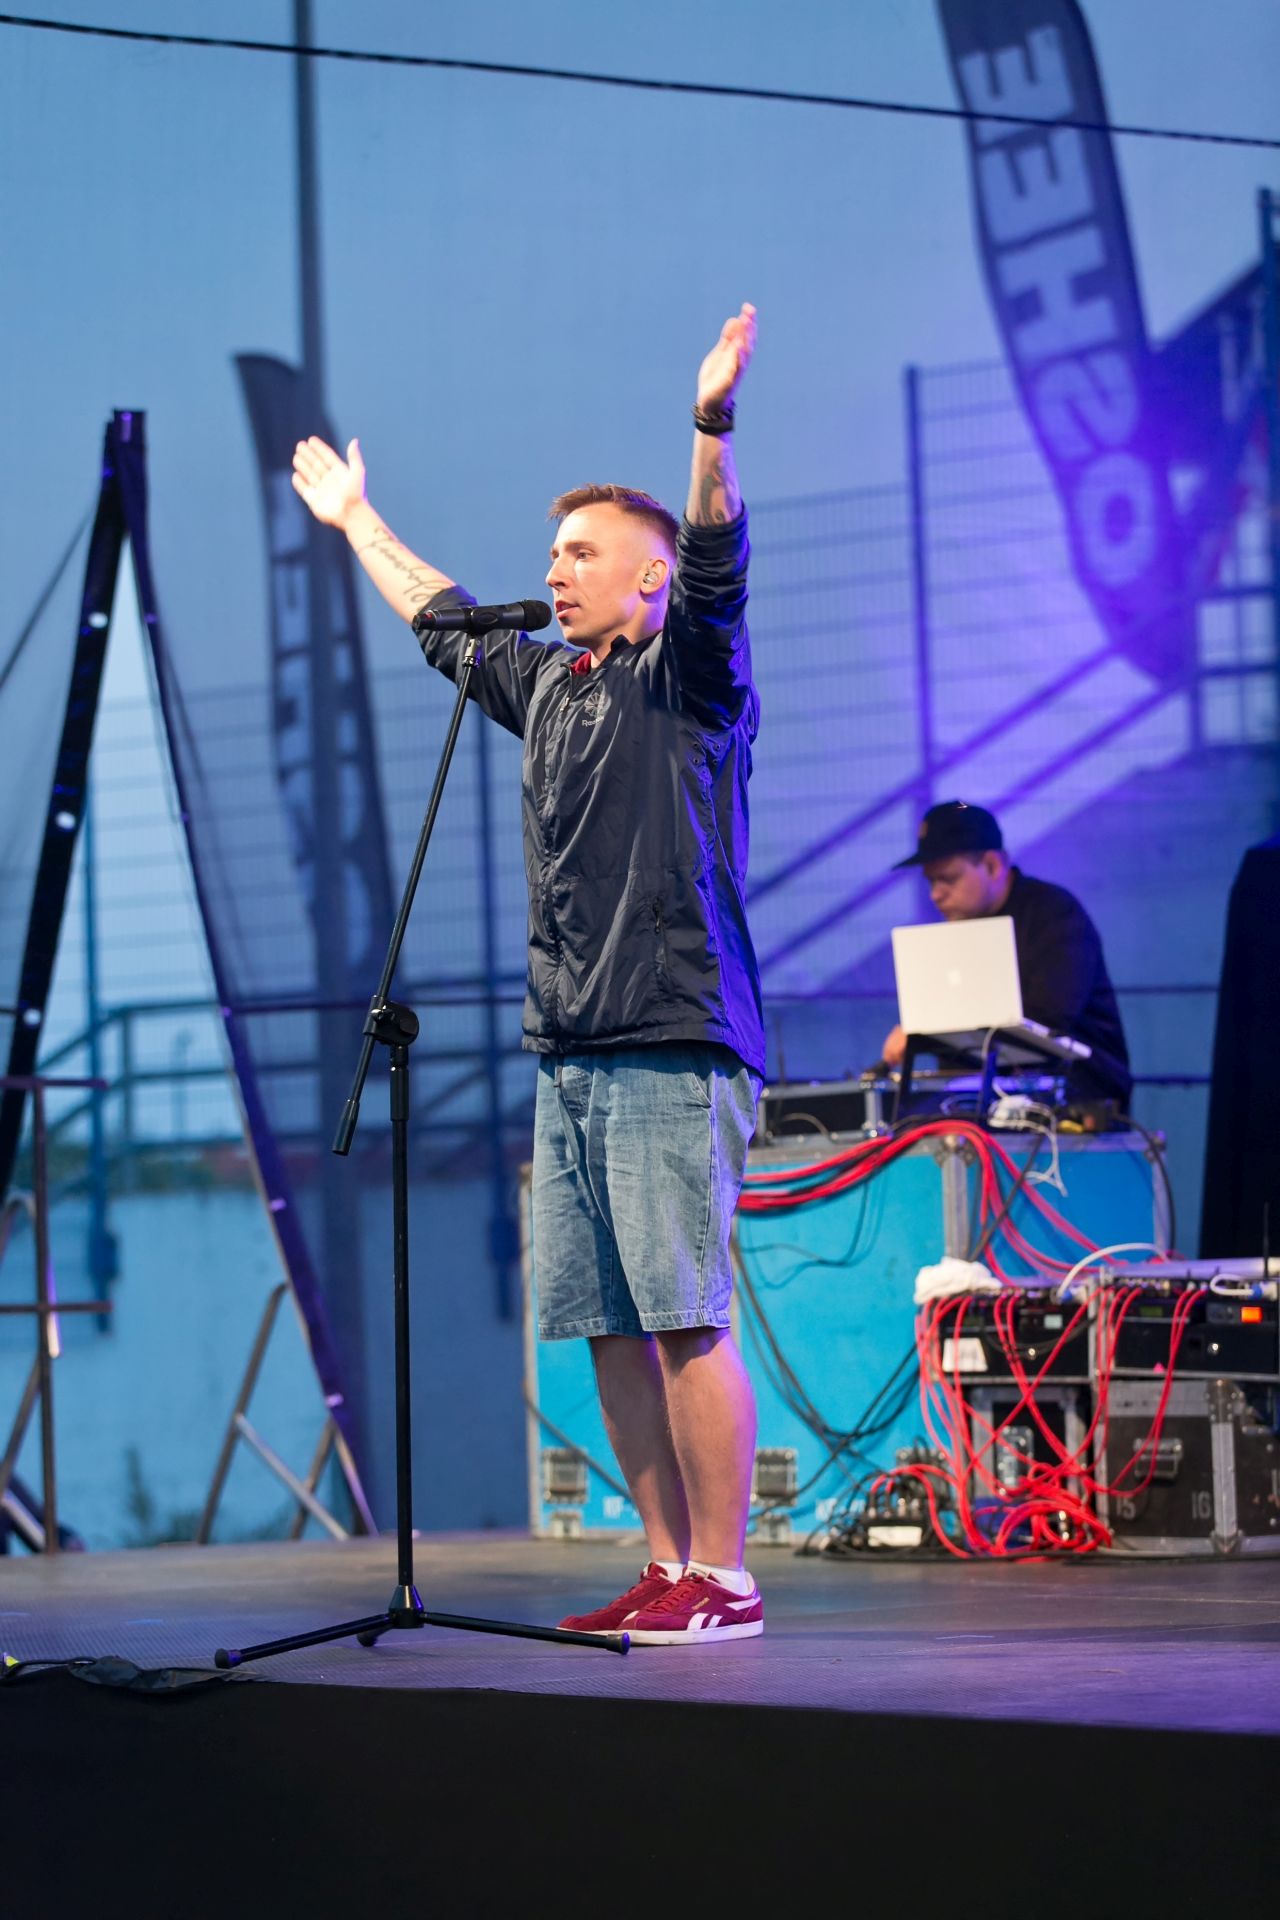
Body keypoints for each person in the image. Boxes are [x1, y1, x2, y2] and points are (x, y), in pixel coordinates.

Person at [291, 306, 766, 1645]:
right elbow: (441, 618)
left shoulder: (692, 674)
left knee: (682, 1315)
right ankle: (667, 1565)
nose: (554, 572)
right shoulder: (552, 687)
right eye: (552, 554)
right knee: (608, 1322)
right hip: (567, 1048)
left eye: (581, 554)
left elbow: (719, 555)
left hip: (671, 1034)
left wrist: (709, 424)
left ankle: (727, 1578)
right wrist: (356, 522)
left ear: (648, 579)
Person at [880, 800, 1132, 1107]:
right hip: (989, 1100)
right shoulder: (958, 929)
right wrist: (923, 1032)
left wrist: (929, 1032)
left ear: (992, 866)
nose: (936, 894)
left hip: (1080, 1096)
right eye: (931, 881)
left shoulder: (1054, 913)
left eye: (948, 878)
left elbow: (1046, 1021)